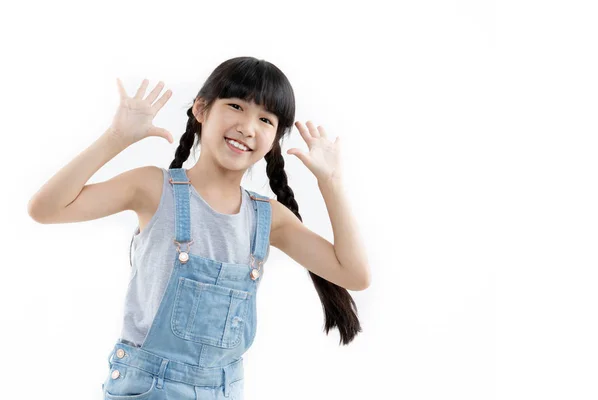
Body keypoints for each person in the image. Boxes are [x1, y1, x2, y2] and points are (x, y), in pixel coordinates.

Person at [27, 56, 371, 399]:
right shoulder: (152, 188)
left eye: (265, 119)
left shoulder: (268, 217)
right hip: (147, 389)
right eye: (235, 106)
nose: (248, 127)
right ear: (201, 109)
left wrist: (332, 183)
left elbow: (354, 275)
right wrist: (116, 138)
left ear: (274, 139)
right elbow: (46, 209)